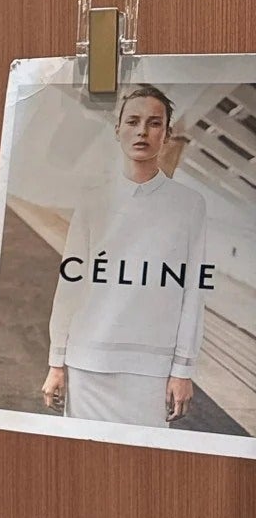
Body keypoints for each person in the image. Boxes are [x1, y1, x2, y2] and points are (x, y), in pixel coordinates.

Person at [40, 82, 210, 428]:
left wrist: (183, 369)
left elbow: (193, 291)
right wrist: (57, 362)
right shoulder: (92, 201)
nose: (142, 131)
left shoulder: (189, 205)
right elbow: (70, 287)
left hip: (150, 372)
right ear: (117, 130)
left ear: (167, 134)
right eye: (133, 121)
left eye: (154, 123)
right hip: (86, 364)